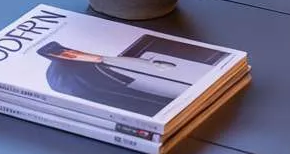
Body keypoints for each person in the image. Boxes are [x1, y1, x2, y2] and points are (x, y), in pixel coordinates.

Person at [37, 41, 195, 116]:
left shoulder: (100, 62)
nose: (73, 54)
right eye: (66, 54)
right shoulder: (66, 76)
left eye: (69, 51)